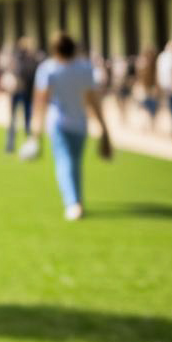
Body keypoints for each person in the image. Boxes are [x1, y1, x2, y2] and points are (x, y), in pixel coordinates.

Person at [32, 31, 111, 220]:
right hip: (80, 124)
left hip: (59, 123)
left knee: (64, 163)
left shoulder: (49, 69)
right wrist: (104, 130)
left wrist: (36, 131)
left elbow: (40, 101)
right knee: (74, 163)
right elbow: (93, 100)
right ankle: (77, 200)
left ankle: (73, 202)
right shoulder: (85, 69)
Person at [4, 36, 40, 154]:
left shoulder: (35, 60)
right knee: (13, 120)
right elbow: (12, 73)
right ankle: (10, 146)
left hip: (28, 93)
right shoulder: (17, 59)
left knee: (28, 120)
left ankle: (30, 145)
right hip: (17, 93)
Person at [134, 45, 159, 130]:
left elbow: (156, 77)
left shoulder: (155, 64)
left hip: (152, 88)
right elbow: (139, 77)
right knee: (144, 106)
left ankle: (152, 124)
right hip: (144, 88)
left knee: (152, 107)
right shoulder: (142, 63)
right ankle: (146, 125)